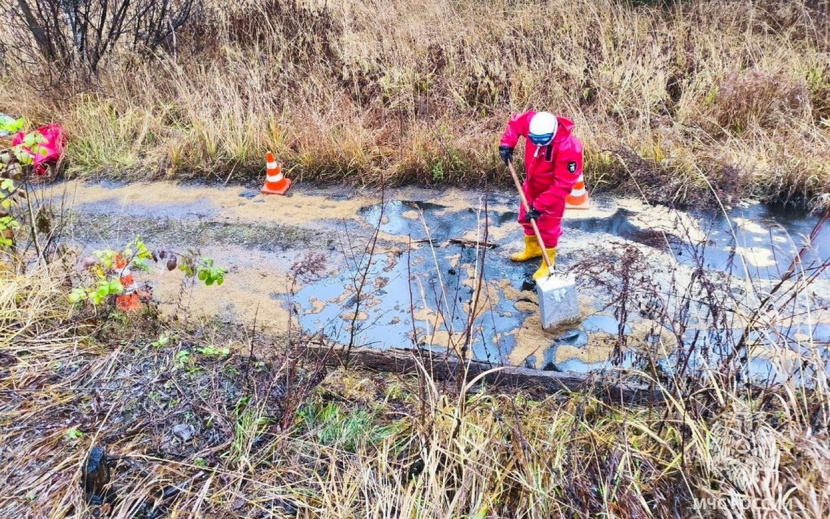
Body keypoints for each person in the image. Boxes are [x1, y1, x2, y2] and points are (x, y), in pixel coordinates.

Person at [498, 111, 583, 280]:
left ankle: (548, 261)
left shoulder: (569, 148)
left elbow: (563, 184)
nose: (537, 144)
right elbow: (515, 123)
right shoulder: (532, 122)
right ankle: (532, 249)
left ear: (552, 134)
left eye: (542, 141)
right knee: (526, 217)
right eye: (533, 139)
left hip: (552, 194)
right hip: (532, 185)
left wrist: (540, 205)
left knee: (549, 228)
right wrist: (507, 144)